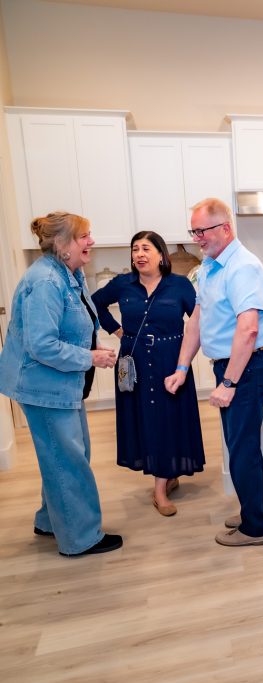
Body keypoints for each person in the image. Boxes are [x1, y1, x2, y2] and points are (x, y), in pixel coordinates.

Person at [0, 212, 121, 556]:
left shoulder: (70, 272)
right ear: (63, 244)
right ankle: (80, 538)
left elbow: (77, 319)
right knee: (68, 458)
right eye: (84, 236)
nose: (91, 241)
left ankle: (50, 521)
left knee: (63, 454)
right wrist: (91, 358)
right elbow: (42, 345)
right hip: (42, 386)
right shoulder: (45, 282)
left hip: (61, 385)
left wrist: (92, 345)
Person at [165, 198, 263, 547]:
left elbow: (247, 330)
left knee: (240, 448)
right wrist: (182, 367)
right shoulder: (211, 266)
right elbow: (197, 320)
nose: (197, 237)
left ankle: (255, 527)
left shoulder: (242, 267)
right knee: (243, 443)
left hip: (246, 368)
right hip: (233, 368)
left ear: (225, 228)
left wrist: (228, 382)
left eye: (202, 230)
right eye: (193, 230)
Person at [92, 230, 205, 517]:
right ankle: (160, 486)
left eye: (146, 248)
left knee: (170, 417)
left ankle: (165, 477)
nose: (139, 254)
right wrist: (116, 330)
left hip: (171, 359)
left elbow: (199, 321)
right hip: (135, 360)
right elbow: (94, 305)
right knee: (148, 418)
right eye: (134, 249)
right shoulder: (122, 284)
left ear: (161, 255)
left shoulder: (179, 285)